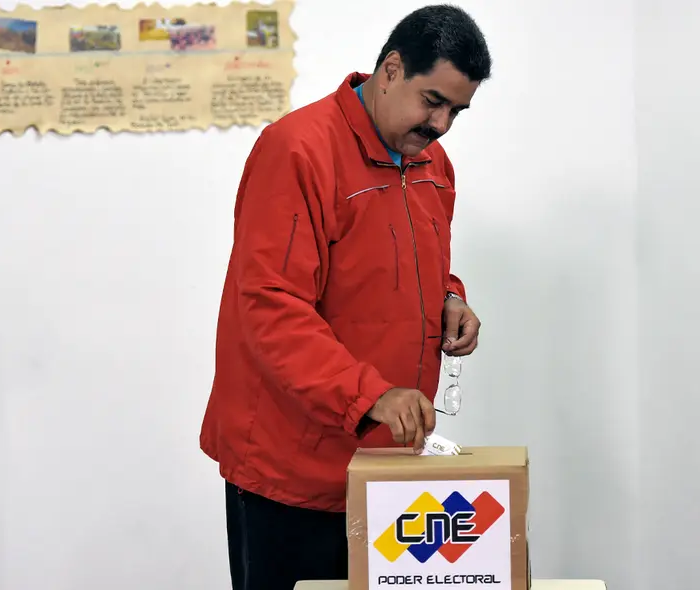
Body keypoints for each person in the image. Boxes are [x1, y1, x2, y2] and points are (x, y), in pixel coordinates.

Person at [198, 4, 492, 589]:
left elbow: (409, 264)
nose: (442, 125)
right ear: (390, 70)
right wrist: (372, 394)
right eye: (432, 101)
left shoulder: (432, 163)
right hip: (293, 473)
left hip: (389, 468)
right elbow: (270, 307)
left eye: (457, 110)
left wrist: (449, 300)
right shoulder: (298, 151)